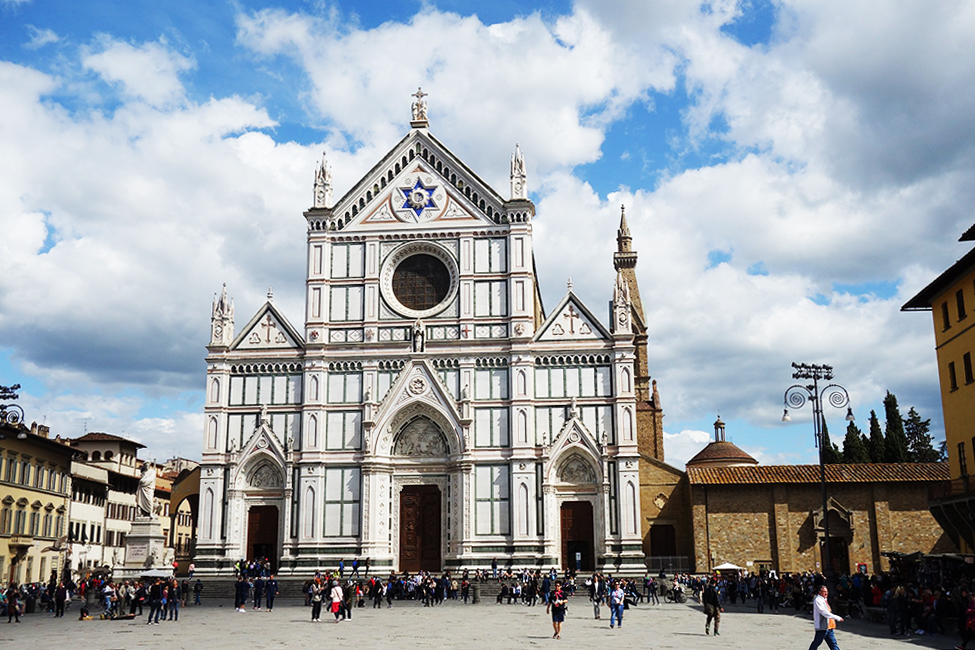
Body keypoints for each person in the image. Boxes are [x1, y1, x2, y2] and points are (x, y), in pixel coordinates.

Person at [809, 585, 843, 650]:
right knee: (816, 643)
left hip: (829, 626)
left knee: (833, 644)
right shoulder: (818, 600)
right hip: (822, 626)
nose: (826, 593)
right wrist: (837, 617)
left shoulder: (824, 599)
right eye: (824, 591)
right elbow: (824, 612)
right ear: (819, 592)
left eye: (827, 591)